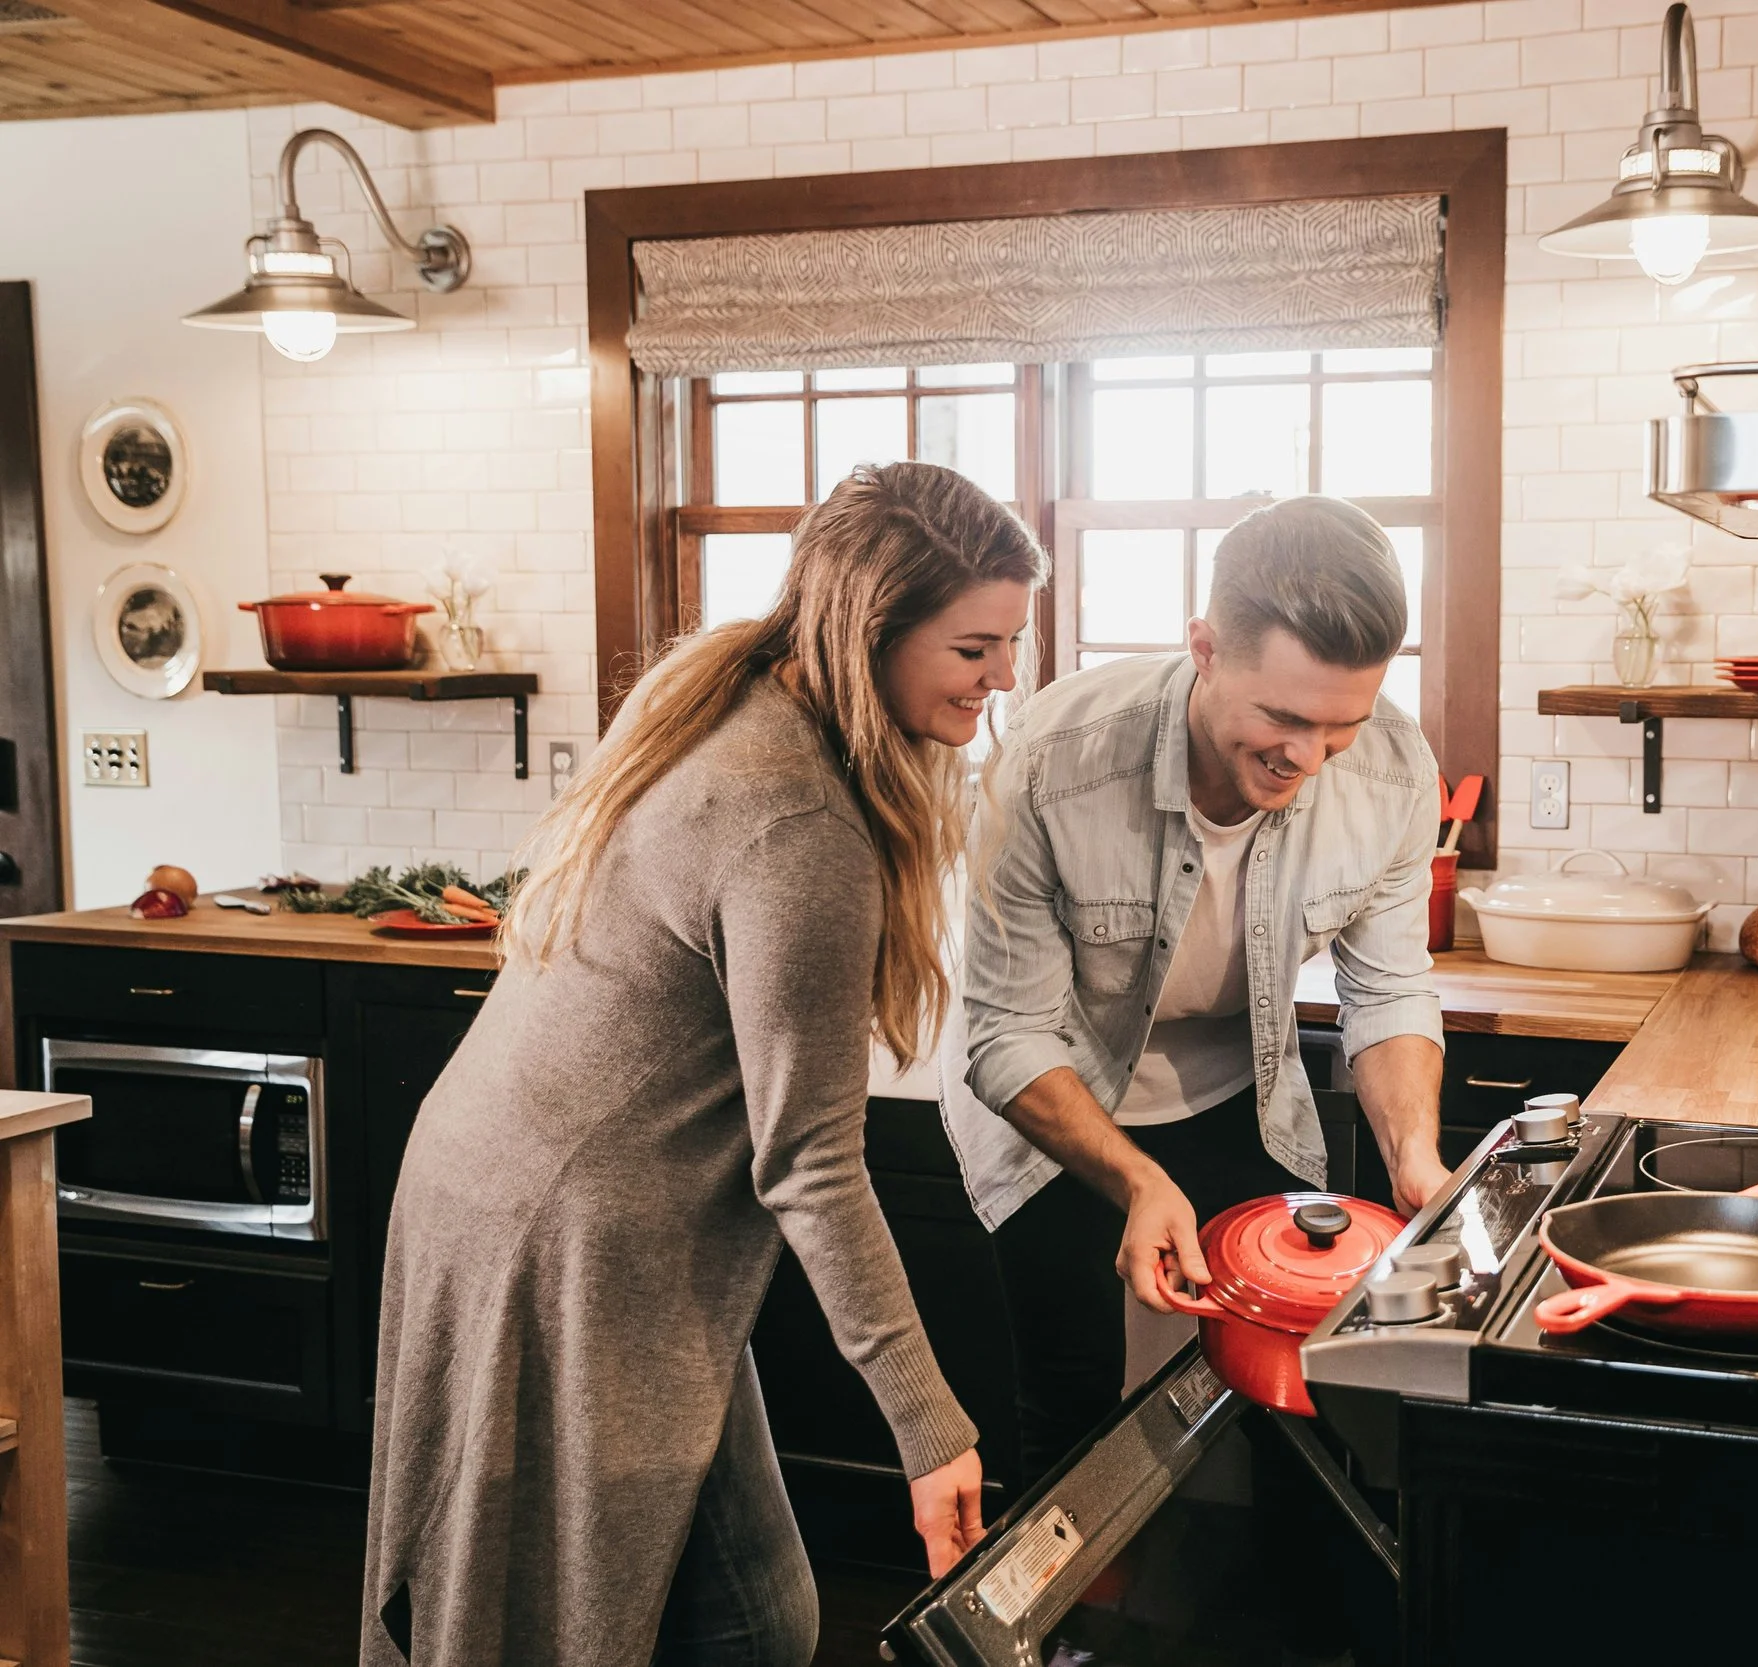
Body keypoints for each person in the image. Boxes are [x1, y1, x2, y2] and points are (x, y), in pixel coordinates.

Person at [360, 461, 1046, 1667]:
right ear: (867, 626)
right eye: (976, 647)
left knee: (729, 1605)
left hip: (501, 1188)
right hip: (571, 1236)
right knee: (726, 1619)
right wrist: (932, 1428)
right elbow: (814, 1164)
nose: (1001, 678)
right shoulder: (797, 821)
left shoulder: (726, 694)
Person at [945, 494, 1451, 1481]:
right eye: (1283, 716)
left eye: (1339, 726)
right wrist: (1136, 1179)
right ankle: (1072, 1637)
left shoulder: (1392, 770)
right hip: (1055, 1102)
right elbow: (1005, 1031)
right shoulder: (1054, 759)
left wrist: (1416, 1154)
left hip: (1238, 1097)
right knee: (1076, 1403)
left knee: (1284, 1397)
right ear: (1205, 647)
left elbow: (1388, 988)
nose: (1305, 759)